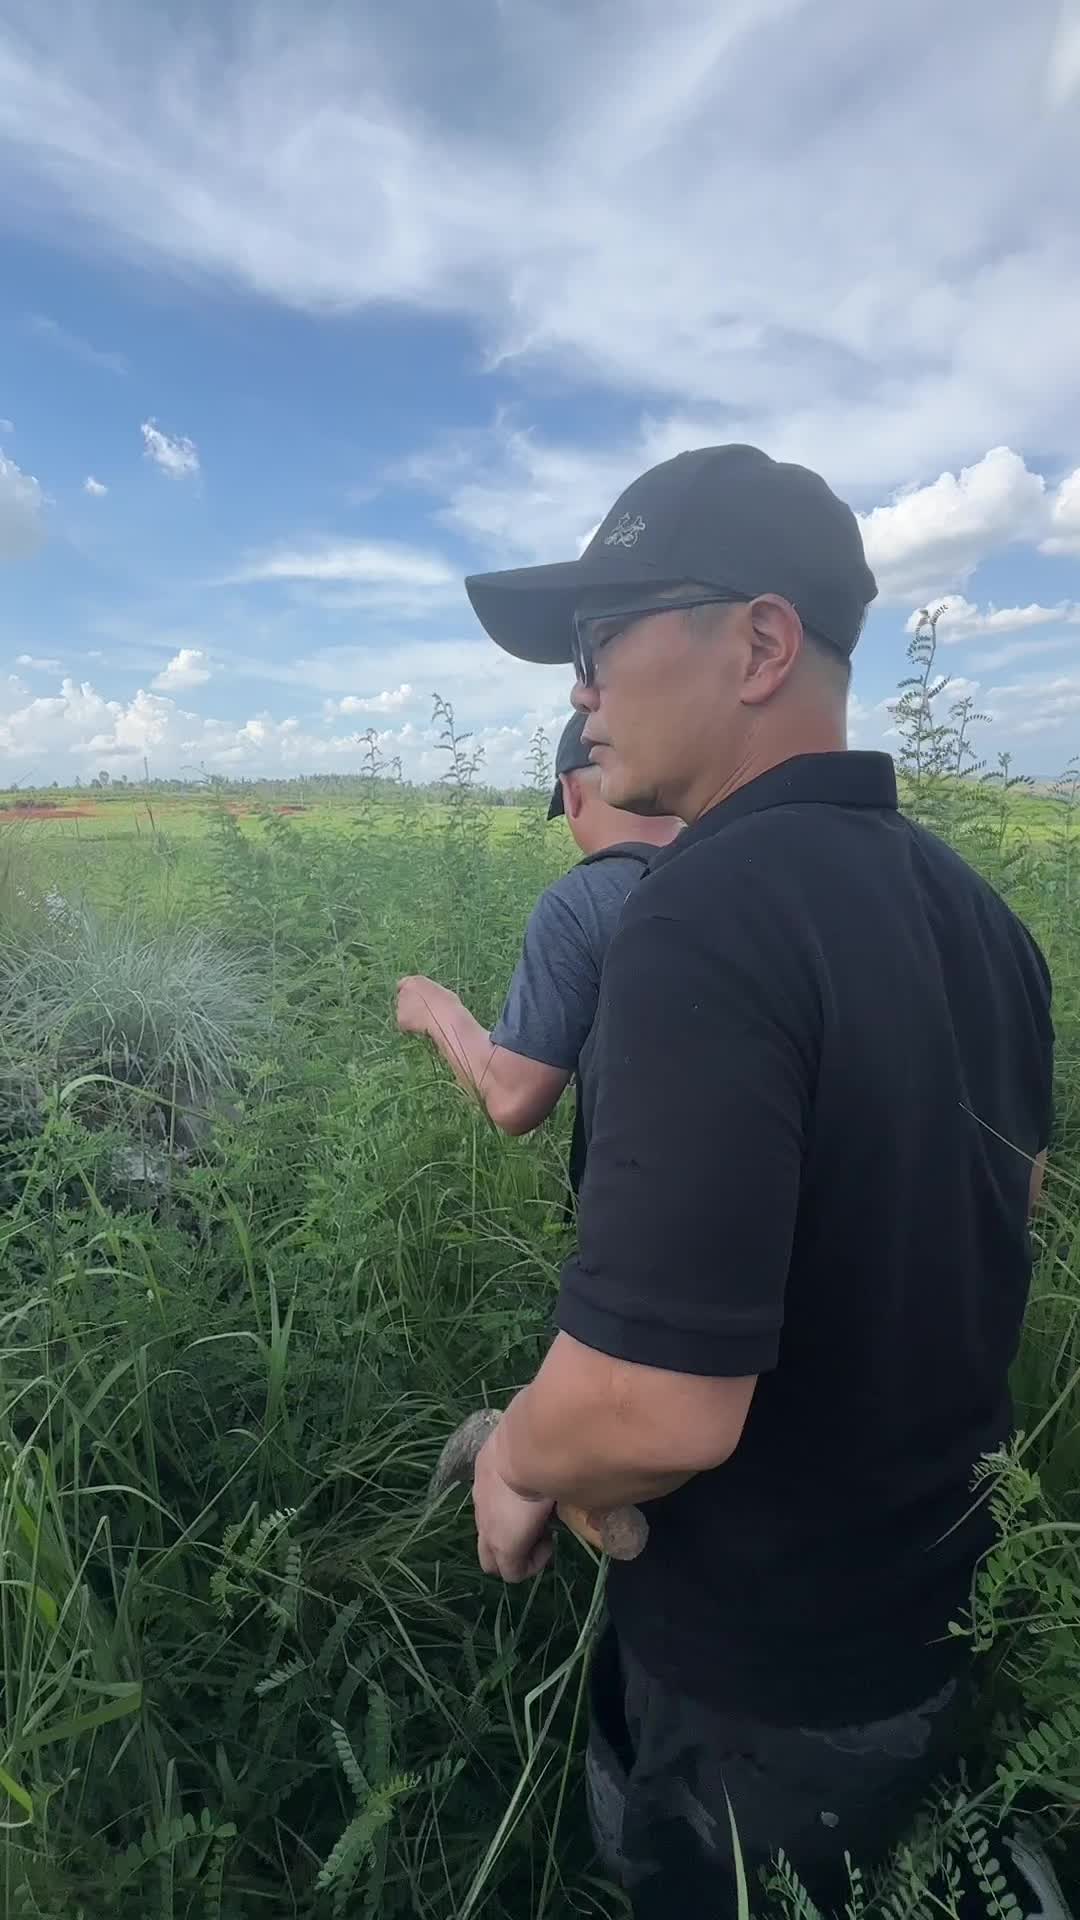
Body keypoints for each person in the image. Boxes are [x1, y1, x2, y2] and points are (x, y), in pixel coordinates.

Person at [459, 445, 1060, 1917]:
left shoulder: (695, 918)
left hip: (755, 1675)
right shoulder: (984, 922)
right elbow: (1003, 1233)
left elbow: (654, 1403)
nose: (583, 688)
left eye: (605, 639)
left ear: (762, 641)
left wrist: (518, 1460)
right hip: (934, 1612)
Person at [395, 711, 678, 1189]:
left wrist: (437, 1011)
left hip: (642, 1228)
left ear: (571, 793)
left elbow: (514, 1099)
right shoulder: (739, 869)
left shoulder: (581, 903)